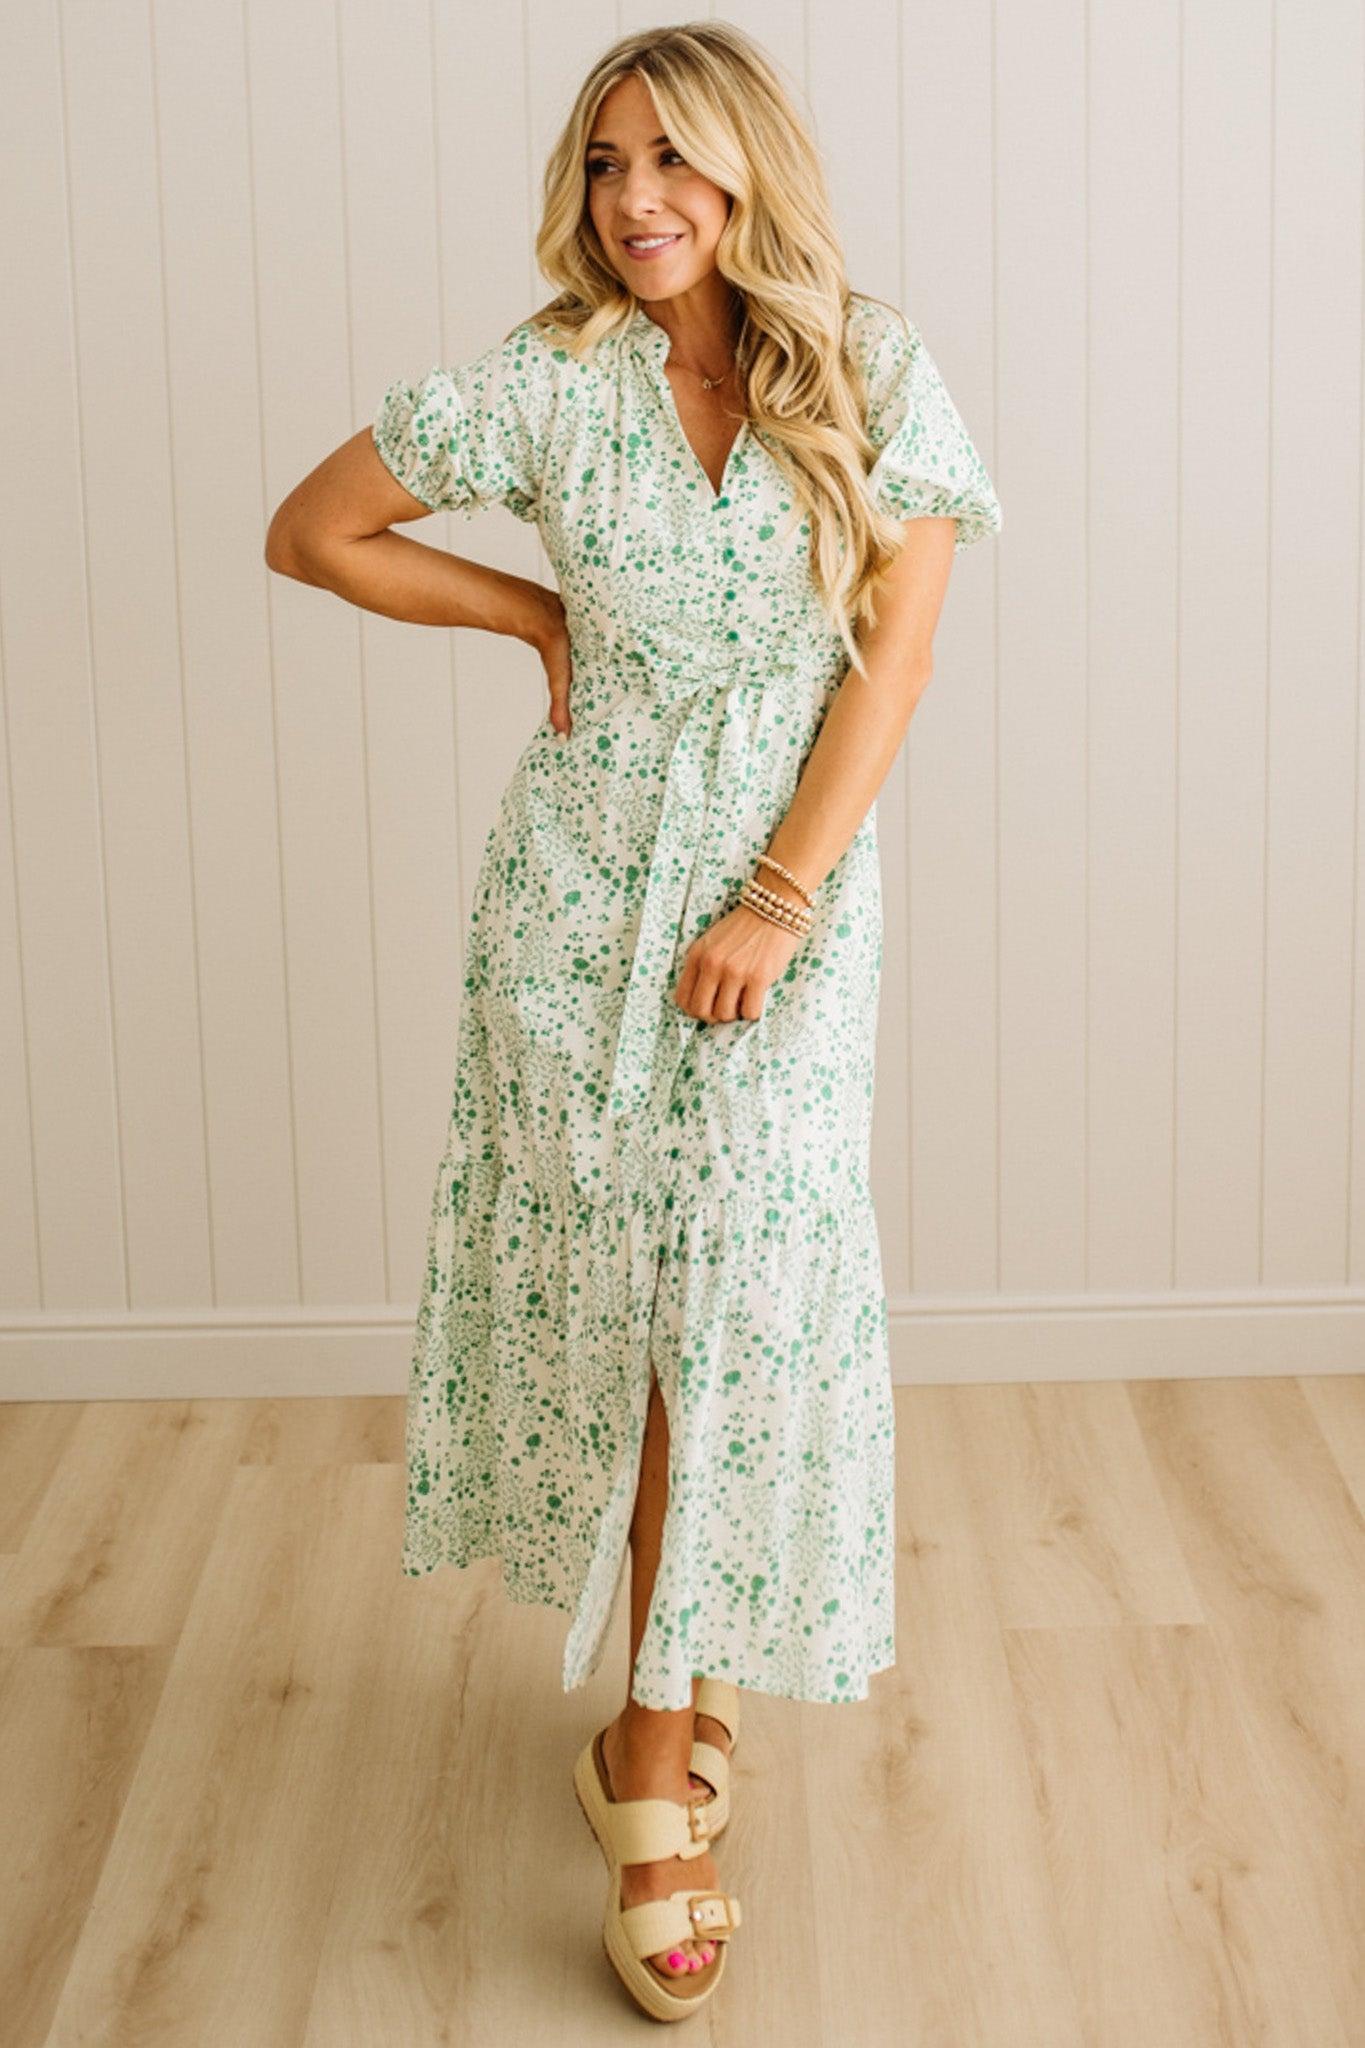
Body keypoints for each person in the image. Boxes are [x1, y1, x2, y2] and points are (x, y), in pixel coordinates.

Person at [264, 18, 1001, 2023]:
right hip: (577, 901)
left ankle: (654, 1757)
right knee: (626, 1301)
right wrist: (527, 613)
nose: (637, 201)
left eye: (670, 159)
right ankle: (655, 1733)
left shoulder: (873, 364)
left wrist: (773, 895)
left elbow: (893, 670)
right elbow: (311, 527)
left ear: (750, 168)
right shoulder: (551, 381)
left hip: (784, 897)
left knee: (729, 1289)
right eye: (603, 166)